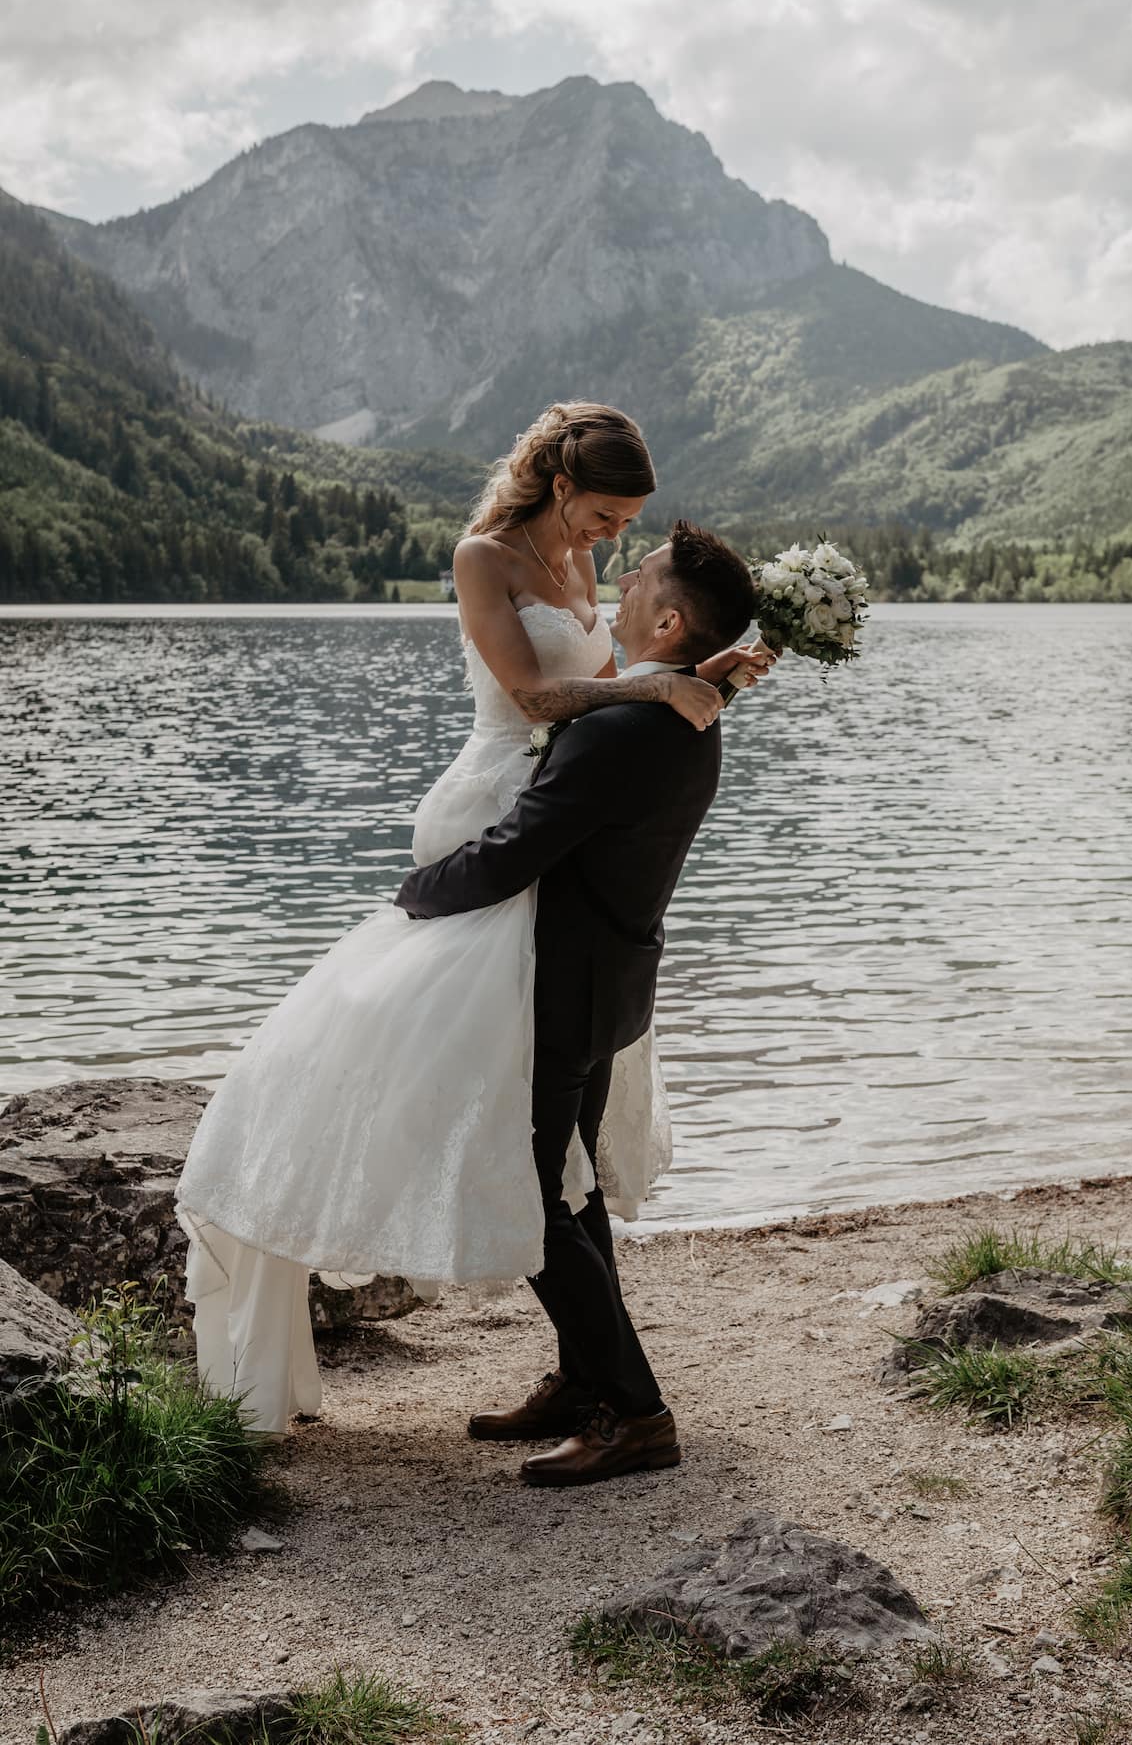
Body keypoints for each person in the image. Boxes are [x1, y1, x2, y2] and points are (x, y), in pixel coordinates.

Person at [176, 402, 768, 1435]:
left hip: (557, 840)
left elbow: (617, 679)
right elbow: (544, 698)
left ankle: (604, 1387)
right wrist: (669, 680)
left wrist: (689, 674)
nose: (613, 542)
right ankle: (593, 1378)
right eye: (604, 516)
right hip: (496, 815)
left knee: (549, 1153)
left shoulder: (589, 574)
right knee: (484, 1116)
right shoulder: (482, 557)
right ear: (558, 485)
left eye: (629, 526)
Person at [397, 521, 759, 1485]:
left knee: (531, 1187)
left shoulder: (618, 728)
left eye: (640, 579)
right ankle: (585, 1380)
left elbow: (513, 851)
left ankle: (637, 1414)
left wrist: (413, 896)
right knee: (572, 1186)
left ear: (671, 618)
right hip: (613, 981)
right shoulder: (692, 711)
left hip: (563, 984)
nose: (622, 586)